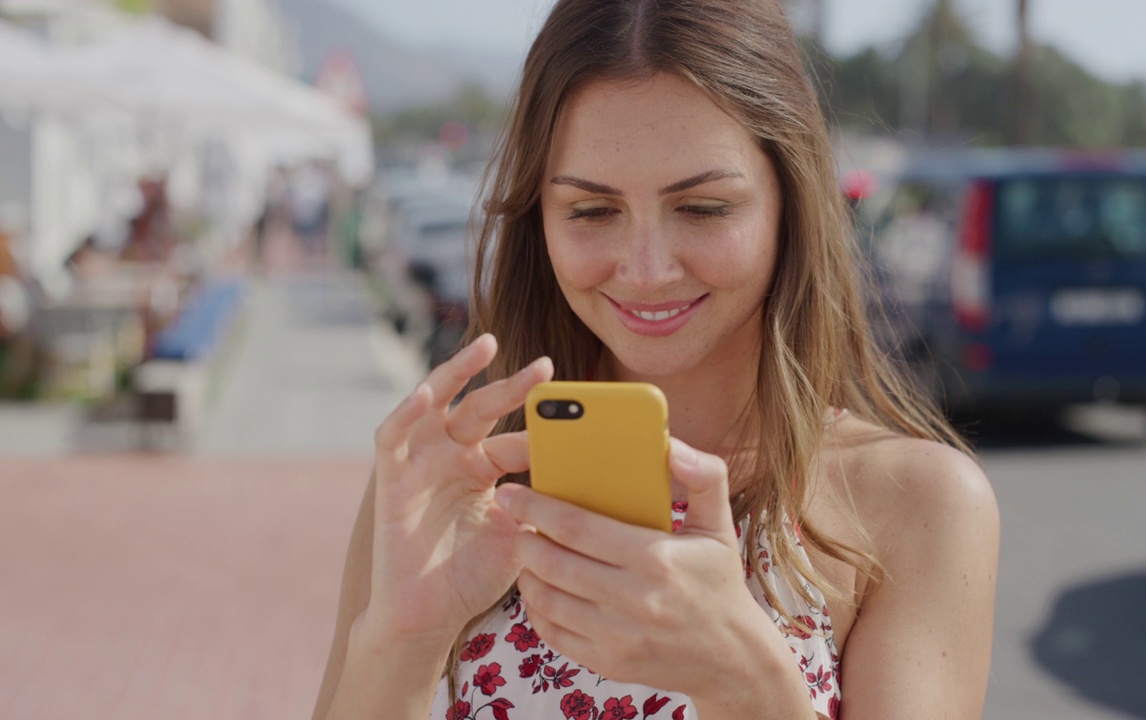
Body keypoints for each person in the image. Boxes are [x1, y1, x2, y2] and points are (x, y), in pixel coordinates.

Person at [313, 1, 1000, 718]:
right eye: (591, 211)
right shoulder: (450, 482)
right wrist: (404, 636)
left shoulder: (916, 505)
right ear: (539, 218)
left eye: (702, 208)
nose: (645, 270)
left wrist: (753, 687)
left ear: (788, 203)